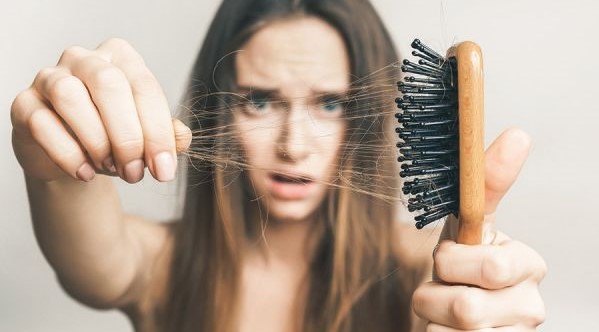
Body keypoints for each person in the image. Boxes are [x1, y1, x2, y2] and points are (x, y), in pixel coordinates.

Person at [10, 0, 546, 331]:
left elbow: (467, 304)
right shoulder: (160, 267)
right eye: (260, 100)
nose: (293, 146)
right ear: (220, 102)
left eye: (330, 103)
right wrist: (53, 150)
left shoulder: (424, 272)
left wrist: (483, 309)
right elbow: (89, 253)